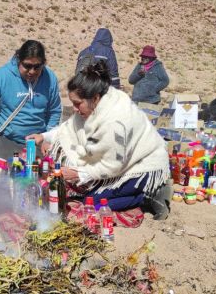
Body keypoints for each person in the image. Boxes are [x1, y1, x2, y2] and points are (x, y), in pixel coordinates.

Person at [27, 61, 171, 220]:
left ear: (94, 98)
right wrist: (43, 136)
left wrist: (78, 173)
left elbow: (114, 165)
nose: (74, 109)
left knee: (93, 204)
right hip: (120, 161)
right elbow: (68, 128)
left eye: (77, 104)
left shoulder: (116, 120)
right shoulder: (97, 103)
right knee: (84, 195)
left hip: (142, 166)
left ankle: (148, 195)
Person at [0, 40, 62, 159]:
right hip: (5, 140)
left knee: (34, 177)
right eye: (27, 66)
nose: (32, 71)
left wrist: (48, 138)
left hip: (36, 143)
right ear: (19, 60)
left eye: (37, 67)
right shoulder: (1, 76)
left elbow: (54, 111)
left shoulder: (50, 79)